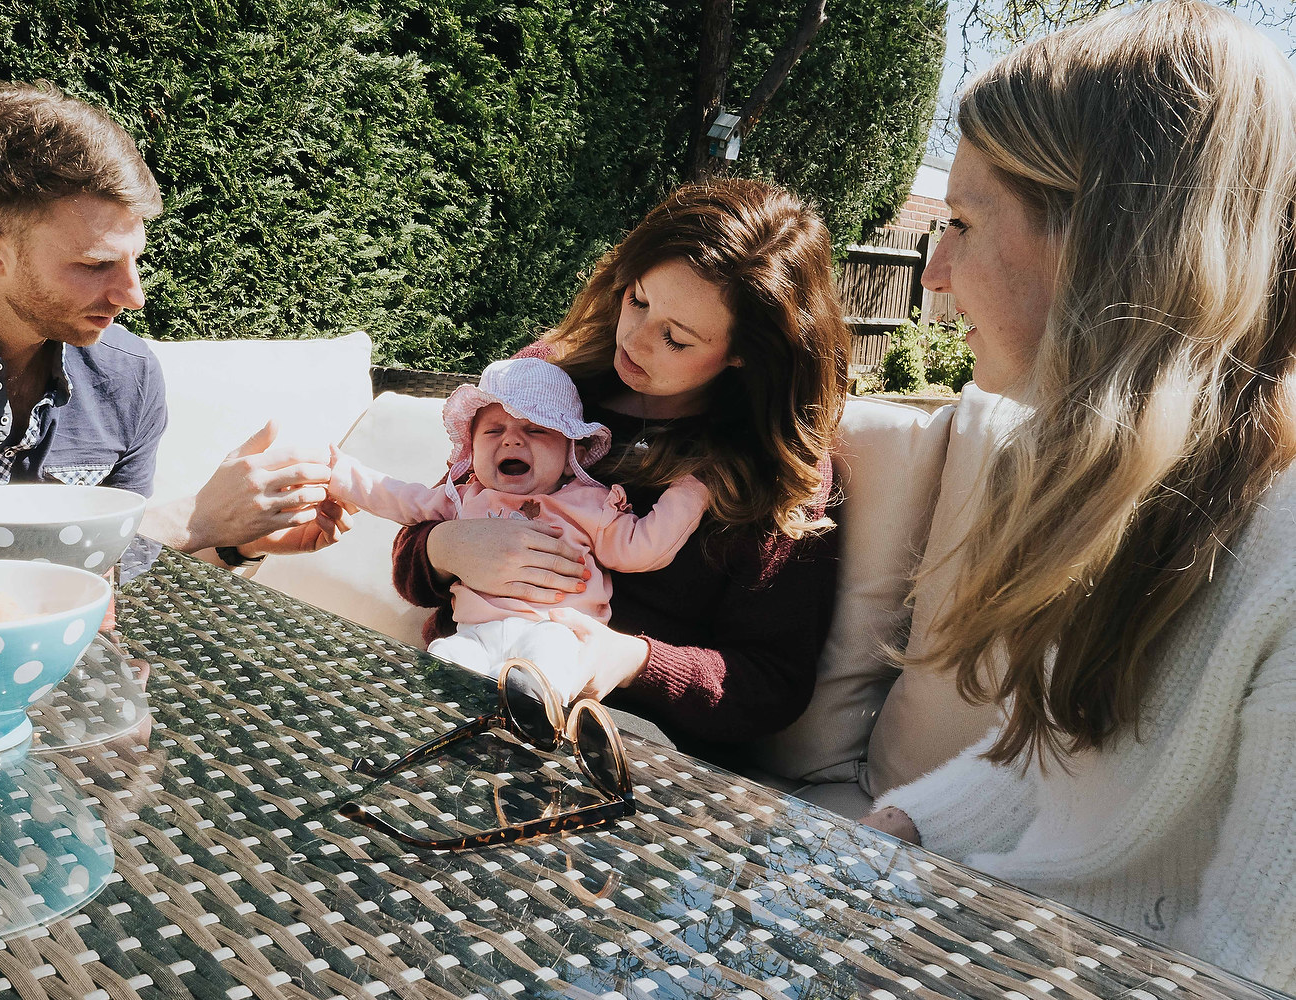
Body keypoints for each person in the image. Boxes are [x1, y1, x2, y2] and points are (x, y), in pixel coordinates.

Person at [857, 2, 1296, 989]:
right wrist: (901, 824)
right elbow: (1056, 763)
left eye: (962, 225)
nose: (932, 275)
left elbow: (1245, 970)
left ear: (1102, 242)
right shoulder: (1108, 487)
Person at [0, 80, 342, 565]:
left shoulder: (127, 376)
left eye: (135, 260)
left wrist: (234, 540)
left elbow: (113, 573)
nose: (134, 296)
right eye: (94, 264)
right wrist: (192, 519)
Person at [392, 179, 849, 753]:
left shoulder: (775, 472)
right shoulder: (544, 383)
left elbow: (771, 685)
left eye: (675, 339)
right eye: (637, 300)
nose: (632, 338)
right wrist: (447, 549)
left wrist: (635, 661)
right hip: (454, 695)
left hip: (615, 754)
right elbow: (415, 553)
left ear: (745, 355)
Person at [329, 356, 708, 699]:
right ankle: (445, 698)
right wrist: (339, 474)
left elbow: (641, 547)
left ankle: (534, 700)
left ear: (569, 456)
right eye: (493, 431)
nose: (511, 437)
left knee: (552, 656)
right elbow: (399, 497)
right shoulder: (463, 498)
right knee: (449, 657)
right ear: (472, 452)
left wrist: (696, 485)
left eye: (536, 430)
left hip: (557, 627)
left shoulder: (588, 504)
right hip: (474, 632)